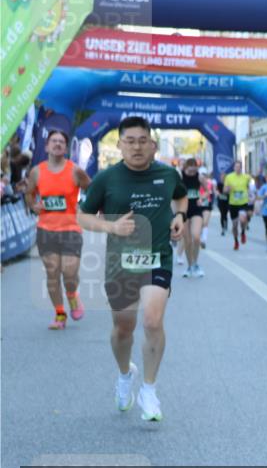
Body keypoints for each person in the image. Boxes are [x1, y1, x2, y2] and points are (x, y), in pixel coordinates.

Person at [77, 116, 187, 422]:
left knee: (152, 321)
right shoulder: (106, 179)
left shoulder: (167, 174)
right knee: (123, 327)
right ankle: (125, 374)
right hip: (120, 263)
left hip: (157, 257)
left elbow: (180, 196)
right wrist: (111, 226)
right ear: (120, 144)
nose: (137, 147)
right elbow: (83, 217)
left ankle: (149, 390)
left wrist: (180, 217)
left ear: (152, 144)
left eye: (143, 141)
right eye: (130, 141)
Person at [25, 130, 91, 329]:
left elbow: (92, 189)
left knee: (69, 273)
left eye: (61, 142)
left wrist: (88, 207)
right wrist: (32, 205)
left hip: (71, 228)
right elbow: (29, 193)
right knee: (53, 273)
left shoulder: (75, 171)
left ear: (66, 147)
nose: (57, 144)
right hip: (46, 229)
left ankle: (72, 294)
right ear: (46, 146)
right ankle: (60, 314)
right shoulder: (37, 171)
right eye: (53, 141)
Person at [179, 158, 206, 278]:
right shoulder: (180, 176)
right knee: (187, 241)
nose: (192, 170)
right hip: (183, 209)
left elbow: (208, 191)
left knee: (196, 237)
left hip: (196, 208)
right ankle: (190, 266)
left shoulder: (199, 177)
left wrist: (202, 197)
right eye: (190, 168)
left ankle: (195, 264)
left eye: (195, 167)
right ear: (186, 167)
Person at [223, 161, 251, 250]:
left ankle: (243, 232)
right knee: (234, 225)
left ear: (241, 168)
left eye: (239, 167)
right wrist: (227, 189)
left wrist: (251, 195)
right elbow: (224, 190)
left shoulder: (246, 177)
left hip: (243, 202)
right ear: (234, 168)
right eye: (236, 166)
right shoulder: (229, 177)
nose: (238, 168)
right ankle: (236, 241)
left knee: (243, 220)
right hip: (233, 203)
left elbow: (250, 187)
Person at [197, 166, 214, 248]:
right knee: (199, 223)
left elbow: (209, 192)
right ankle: (199, 238)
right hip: (198, 204)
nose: (203, 175)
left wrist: (202, 198)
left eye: (204, 174)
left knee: (205, 222)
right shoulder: (195, 182)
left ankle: (204, 240)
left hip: (207, 203)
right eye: (201, 174)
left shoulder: (209, 183)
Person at [215, 170, 229, 236]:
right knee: (222, 214)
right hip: (220, 201)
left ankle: (226, 224)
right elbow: (217, 191)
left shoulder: (227, 184)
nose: (223, 177)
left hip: (227, 201)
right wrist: (217, 193)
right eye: (222, 176)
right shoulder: (219, 183)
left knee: (225, 214)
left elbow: (229, 191)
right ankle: (223, 227)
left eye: (224, 176)